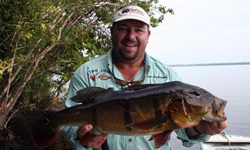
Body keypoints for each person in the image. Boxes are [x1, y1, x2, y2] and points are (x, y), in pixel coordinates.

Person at [61, 4, 227, 150]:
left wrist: (201, 129)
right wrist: (80, 136)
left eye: (138, 30)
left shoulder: (168, 76)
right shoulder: (86, 73)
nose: (131, 36)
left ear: (148, 35)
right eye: (123, 28)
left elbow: (184, 134)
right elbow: (67, 127)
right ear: (112, 32)